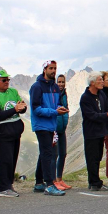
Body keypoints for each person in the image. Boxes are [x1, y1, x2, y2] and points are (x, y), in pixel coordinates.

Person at [0, 70, 26, 197]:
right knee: (4, 160)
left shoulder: (13, 91)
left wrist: (22, 108)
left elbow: (21, 106)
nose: (7, 82)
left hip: (15, 131)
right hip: (3, 132)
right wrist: (14, 109)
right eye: (4, 80)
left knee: (12, 160)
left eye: (8, 80)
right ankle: (3, 188)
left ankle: (9, 185)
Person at [29, 60, 68, 196]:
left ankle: (39, 183)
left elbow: (55, 104)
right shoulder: (37, 87)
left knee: (45, 152)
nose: (53, 71)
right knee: (47, 153)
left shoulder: (55, 88)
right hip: (41, 125)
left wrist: (59, 108)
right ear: (44, 69)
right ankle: (49, 184)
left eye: (55, 68)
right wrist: (55, 112)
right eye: (51, 68)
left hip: (51, 125)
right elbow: (36, 109)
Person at [80, 72, 108, 191]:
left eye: (102, 80)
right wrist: (107, 115)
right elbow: (91, 115)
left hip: (101, 130)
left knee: (98, 157)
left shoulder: (101, 94)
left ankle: (95, 181)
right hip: (91, 132)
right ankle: (94, 182)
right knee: (91, 157)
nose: (102, 82)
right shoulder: (85, 97)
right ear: (92, 82)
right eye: (99, 80)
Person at [54, 74, 71, 191]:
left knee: (63, 153)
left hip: (62, 128)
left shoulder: (64, 94)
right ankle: (54, 181)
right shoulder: (53, 94)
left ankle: (60, 178)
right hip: (55, 128)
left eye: (62, 82)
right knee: (54, 155)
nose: (60, 84)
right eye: (59, 82)